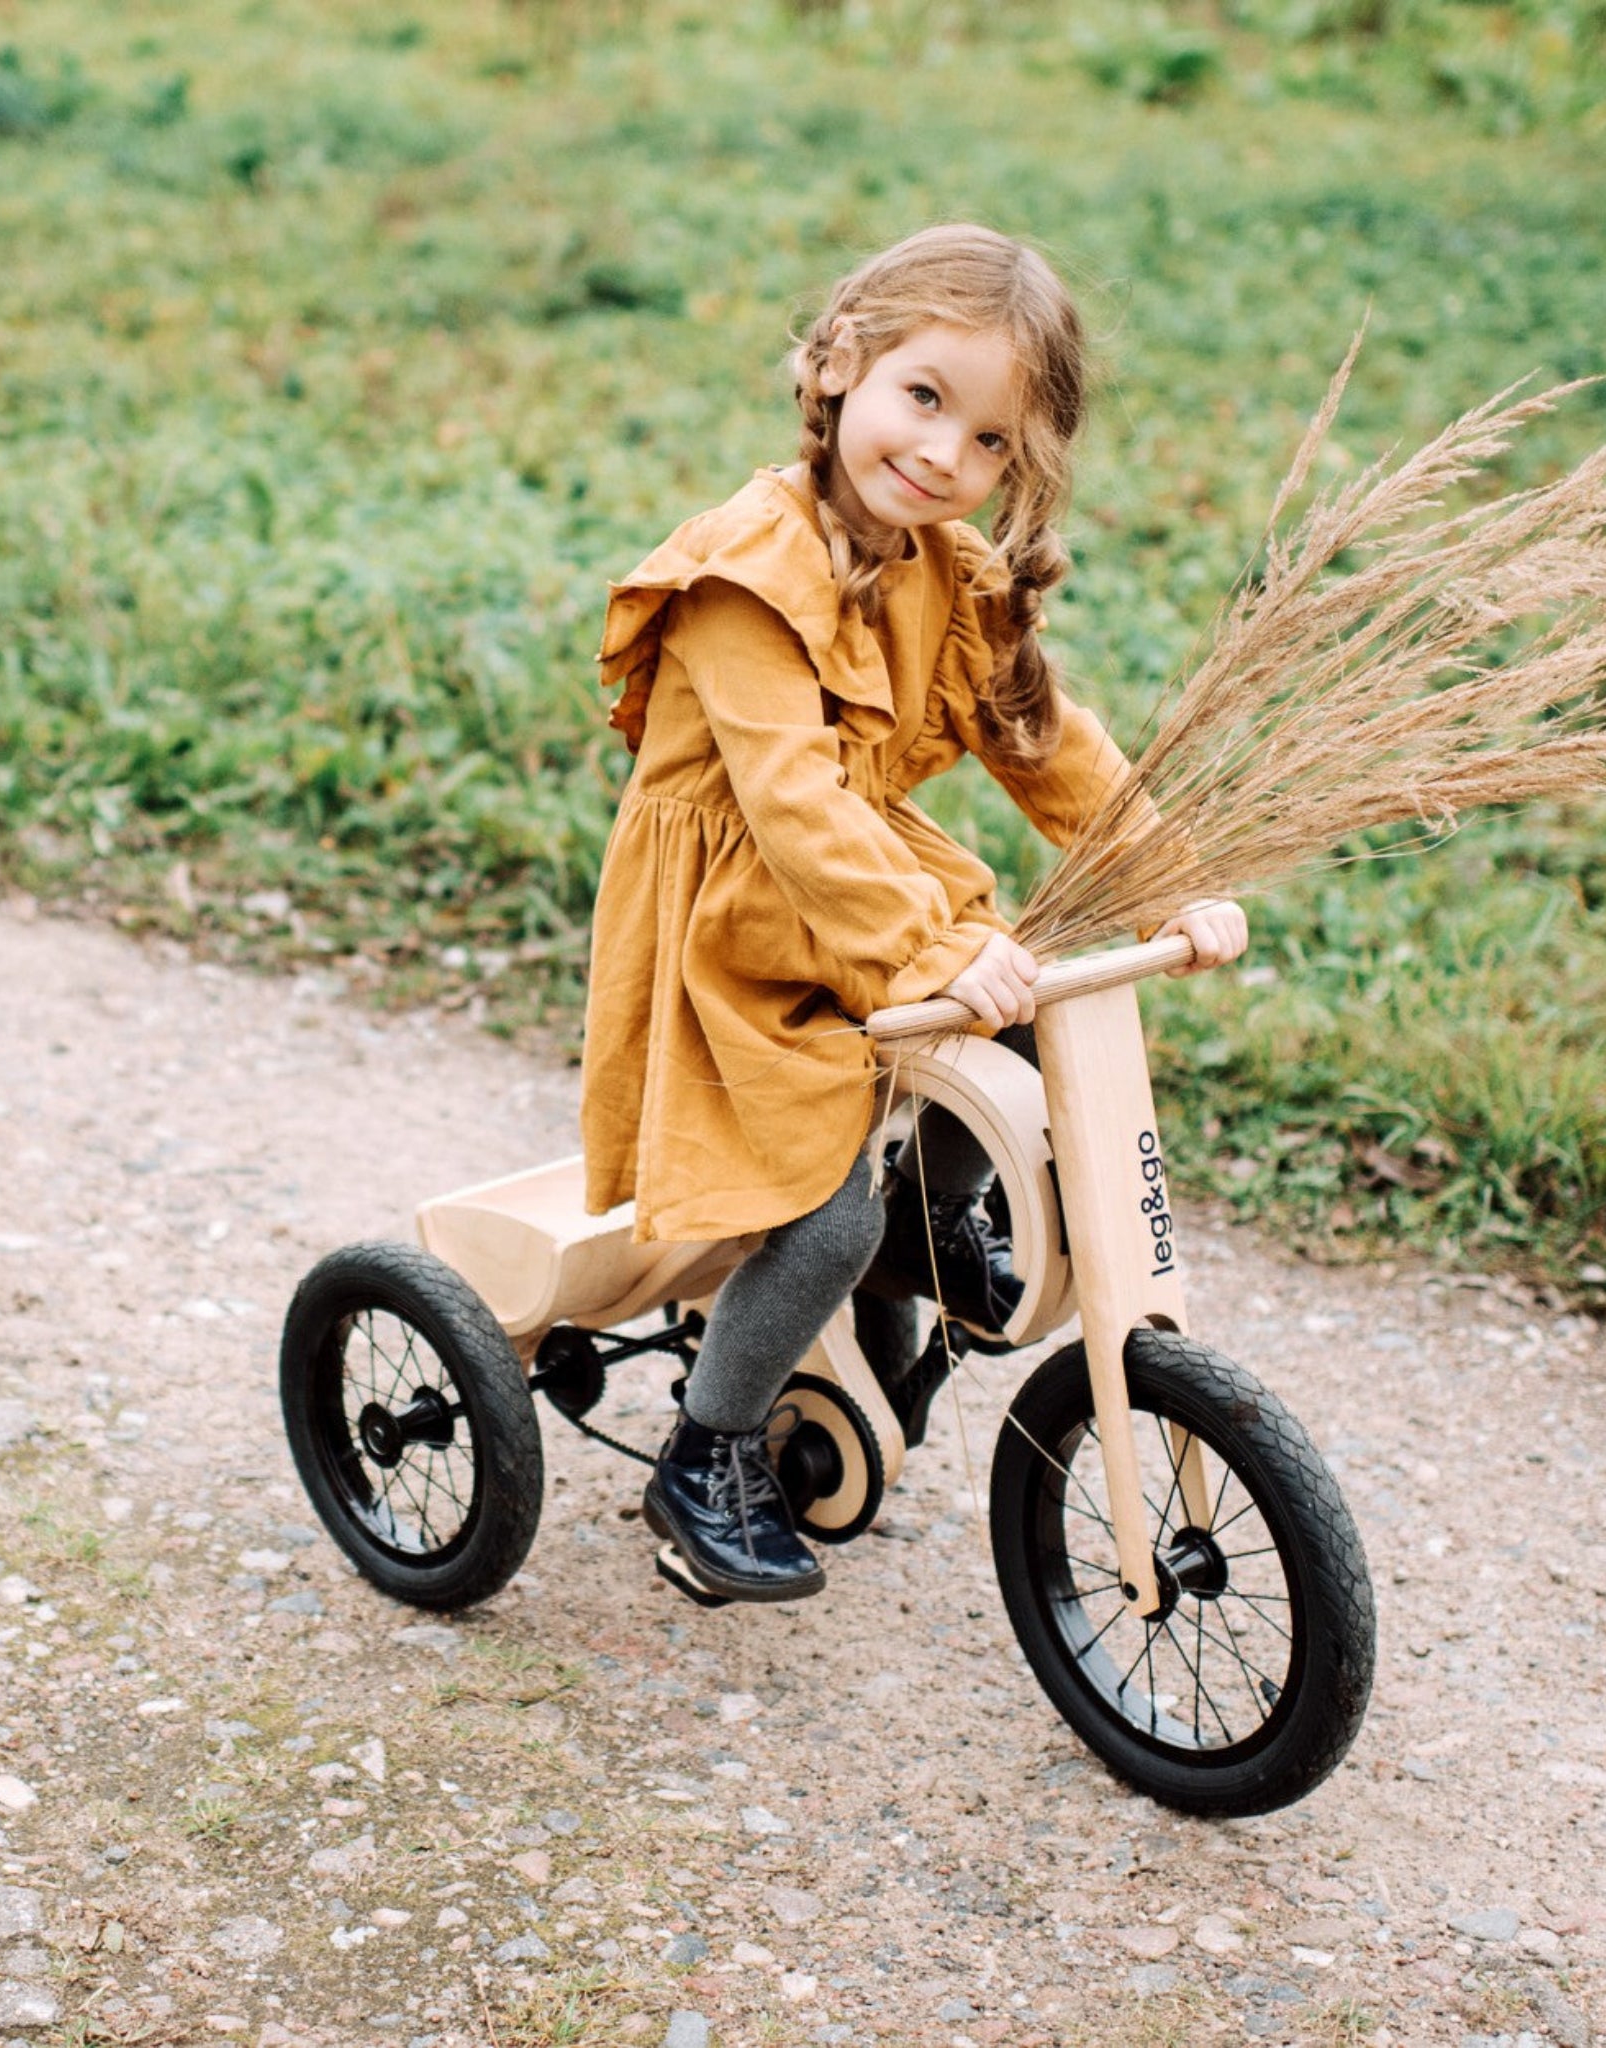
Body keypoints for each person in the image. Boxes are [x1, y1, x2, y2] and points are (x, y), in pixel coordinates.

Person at [580, 225, 1247, 1604]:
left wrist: (1168, 875)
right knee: (821, 1219)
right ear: (839, 366)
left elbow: (1048, 742)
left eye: (993, 441)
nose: (947, 455)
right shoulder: (745, 578)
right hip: (740, 933)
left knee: (1009, 1056)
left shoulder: (949, 576)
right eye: (924, 397)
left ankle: (922, 1243)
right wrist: (934, 945)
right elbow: (794, 808)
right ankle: (706, 1456)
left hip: (861, 895)